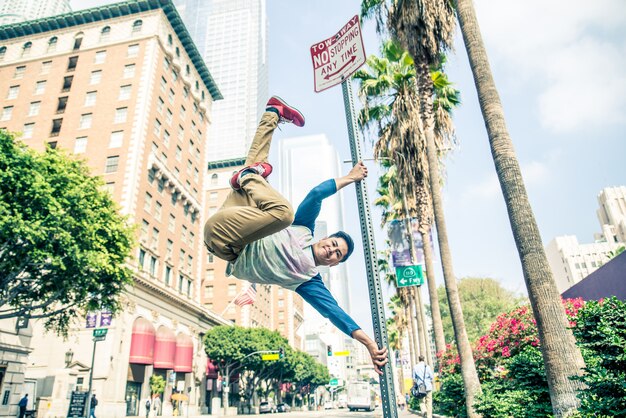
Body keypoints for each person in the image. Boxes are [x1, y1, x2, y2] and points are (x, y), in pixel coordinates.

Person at [204, 96, 388, 373]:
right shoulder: (304, 228)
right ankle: (273, 113)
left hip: (226, 242)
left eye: (337, 254)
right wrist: (350, 177)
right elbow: (316, 194)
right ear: (325, 239)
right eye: (334, 244)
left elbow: (334, 312)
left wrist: (367, 342)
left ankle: (248, 176)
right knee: (279, 204)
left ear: (333, 264)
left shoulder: (308, 282)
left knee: (273, 201)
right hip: (234, 217)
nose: (332, 250)